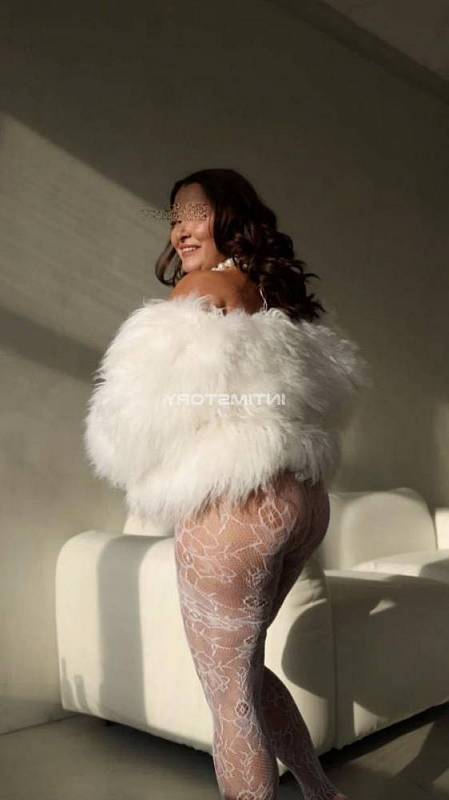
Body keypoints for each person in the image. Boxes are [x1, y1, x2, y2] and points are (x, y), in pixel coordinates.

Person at [84, 168, 370, 799]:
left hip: (234, 509)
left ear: (231, 217)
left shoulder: (200, 289)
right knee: (246, 674)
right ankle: (323, 795)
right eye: (174, 217)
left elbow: (136, 417)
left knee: (229, 700)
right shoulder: (278, 298)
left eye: (196, 213)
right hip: (301, 500)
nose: (181, 231)